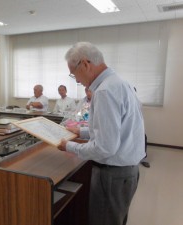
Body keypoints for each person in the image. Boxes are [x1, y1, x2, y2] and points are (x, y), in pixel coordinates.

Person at [58, 42, 145, 225]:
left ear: (85, 64)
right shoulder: (120, 83)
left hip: (112, 175)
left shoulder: (105, 91)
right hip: (127, 172)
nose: (78, 81)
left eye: (75, 75)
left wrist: (69, 146)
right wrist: (80, 131)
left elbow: (105, 147)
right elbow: (114, 130)